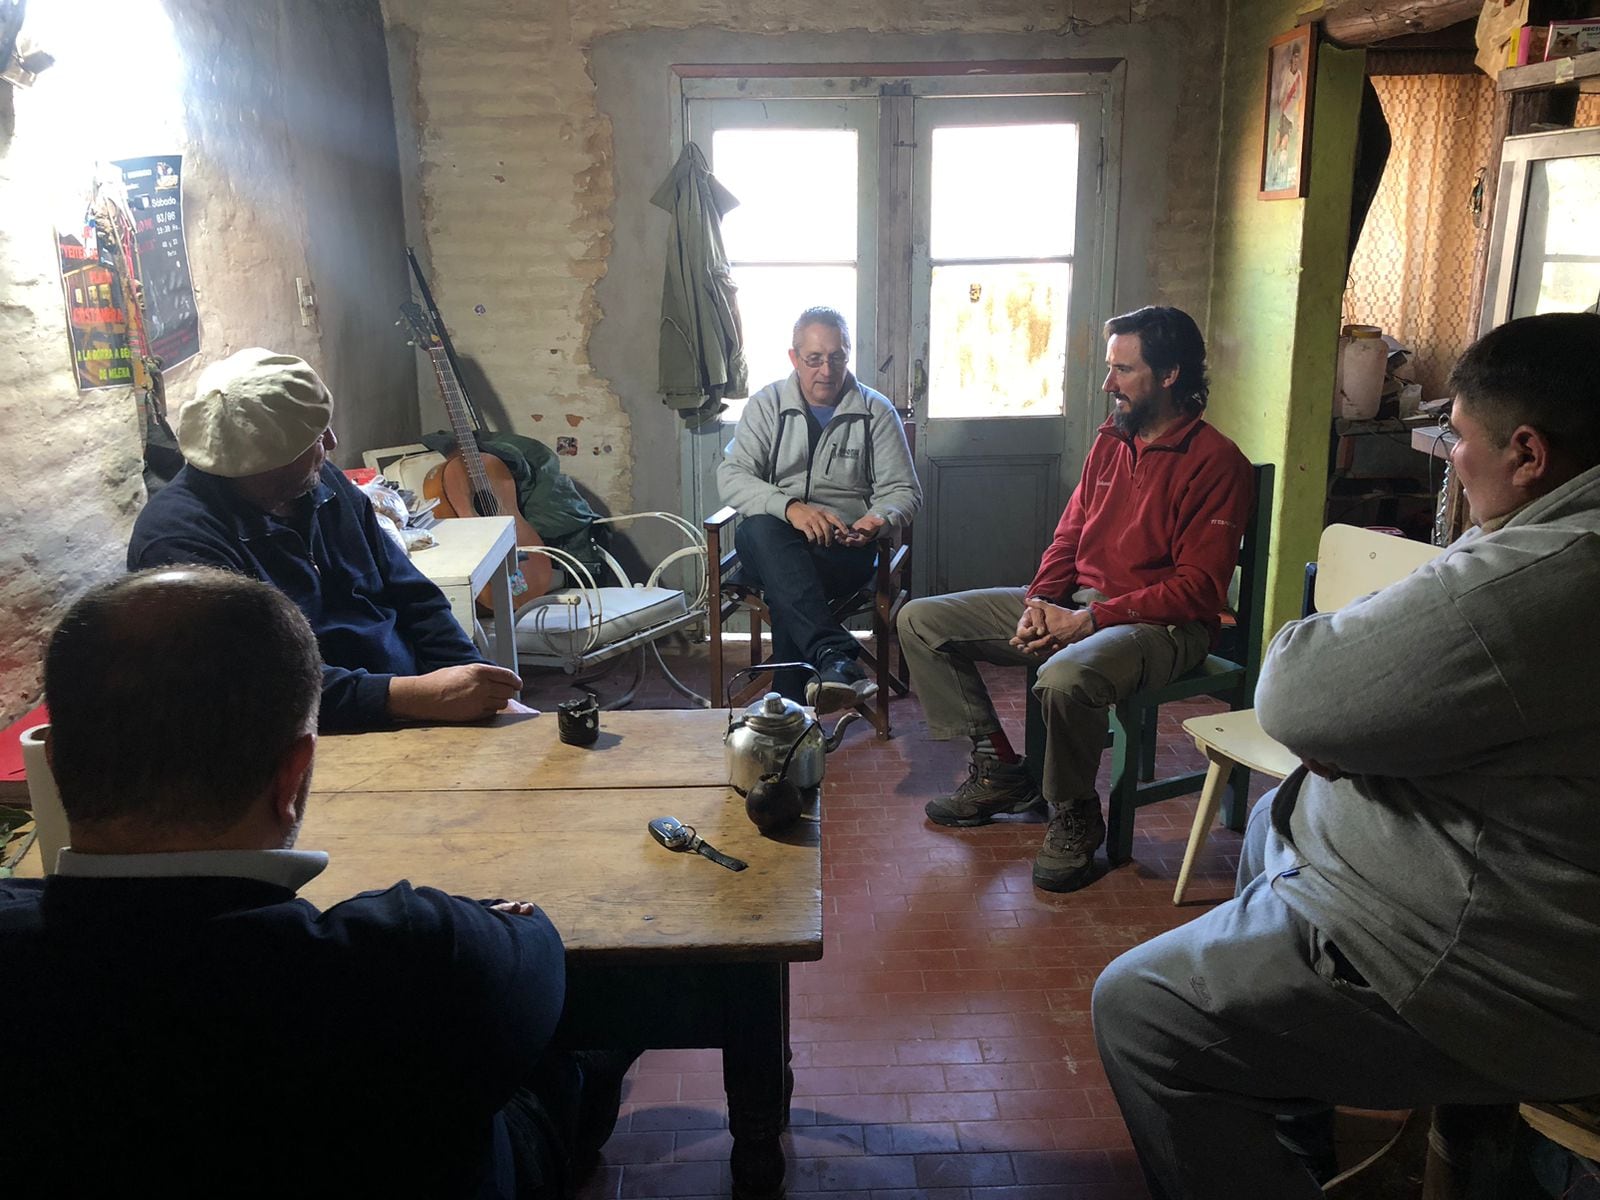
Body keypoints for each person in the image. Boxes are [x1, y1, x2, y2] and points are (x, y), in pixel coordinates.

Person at [1091, 312, 1600, 1199]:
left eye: (1457, 441)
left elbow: (1293, 690)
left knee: (1142, 1013)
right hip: (1477, 887)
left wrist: (1342, 730)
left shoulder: (1548, 573)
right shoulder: (1548, 546)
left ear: (1528, 455)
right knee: (1277, 823)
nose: (1449, 460)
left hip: (1498, 971)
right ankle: (1298, 1132)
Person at [0, 568, 625, 1197]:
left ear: (50, 764)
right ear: (293, 775)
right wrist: (501, 918)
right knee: (581, 1046)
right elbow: (536, 944)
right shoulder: (420, 953)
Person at [897, 306, 1252, 893]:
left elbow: (1199, 589)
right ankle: (1001, 769)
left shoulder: (1217, 463)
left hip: (1163, 625)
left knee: (1062, 678)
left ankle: (1074, 812)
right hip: (1082, 606)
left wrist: (1090, 618)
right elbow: (1070, 533)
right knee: (921, 620)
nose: (1109, 383)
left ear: (1170, 375)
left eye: (1124, 370)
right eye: (1110, 368)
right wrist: (1040, 600)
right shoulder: (1111, 441)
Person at [128, 346, 526, 731]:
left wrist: (474, 682)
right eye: (315, 439)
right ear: (263, 463)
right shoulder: (179, 543)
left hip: (410, 705)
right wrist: (412, 696)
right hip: (309, 733)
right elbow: (254, 684)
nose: (332, 443)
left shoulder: (319, 482)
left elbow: (413, 596)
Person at [718, 306, 920, 711]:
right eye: (814, 359)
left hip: (841, 552)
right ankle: (834, 656)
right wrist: (791, 508)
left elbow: (904, 490)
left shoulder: (874, 411)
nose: (827, 370)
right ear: (794, 358)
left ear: (847, 356)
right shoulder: (767, 404)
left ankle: (791, 705)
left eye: (837, 357)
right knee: (761, 531)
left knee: (786, 584)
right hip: (774, 540)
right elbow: (732, 476)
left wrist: (877, 519)